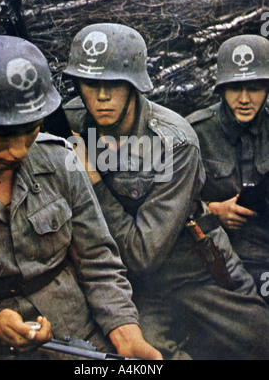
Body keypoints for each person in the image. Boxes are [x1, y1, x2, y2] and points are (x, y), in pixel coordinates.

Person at [62, 23, 269, 360]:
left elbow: (142, 254)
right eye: (90, 84)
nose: (101, 97)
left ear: (134, 86)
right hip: (131, 289)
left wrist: (94, 180)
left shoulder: (175, 142)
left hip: (196, 270)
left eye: (113, 84)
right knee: (144, 361)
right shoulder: (69, 123)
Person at [0, 35, 163, 361]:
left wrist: (125, 333)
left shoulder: (61, 160)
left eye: (31, 129)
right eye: (2, 134)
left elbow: (98, 261)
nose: (18, 150)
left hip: (79, 339)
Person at [187, 34, 269, 304]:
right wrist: (214, 211)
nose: (244, 99)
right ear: (221, 90)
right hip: (216, 252)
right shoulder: (195, 133)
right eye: (235, 89)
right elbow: (169, 205)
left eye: (254, 88)